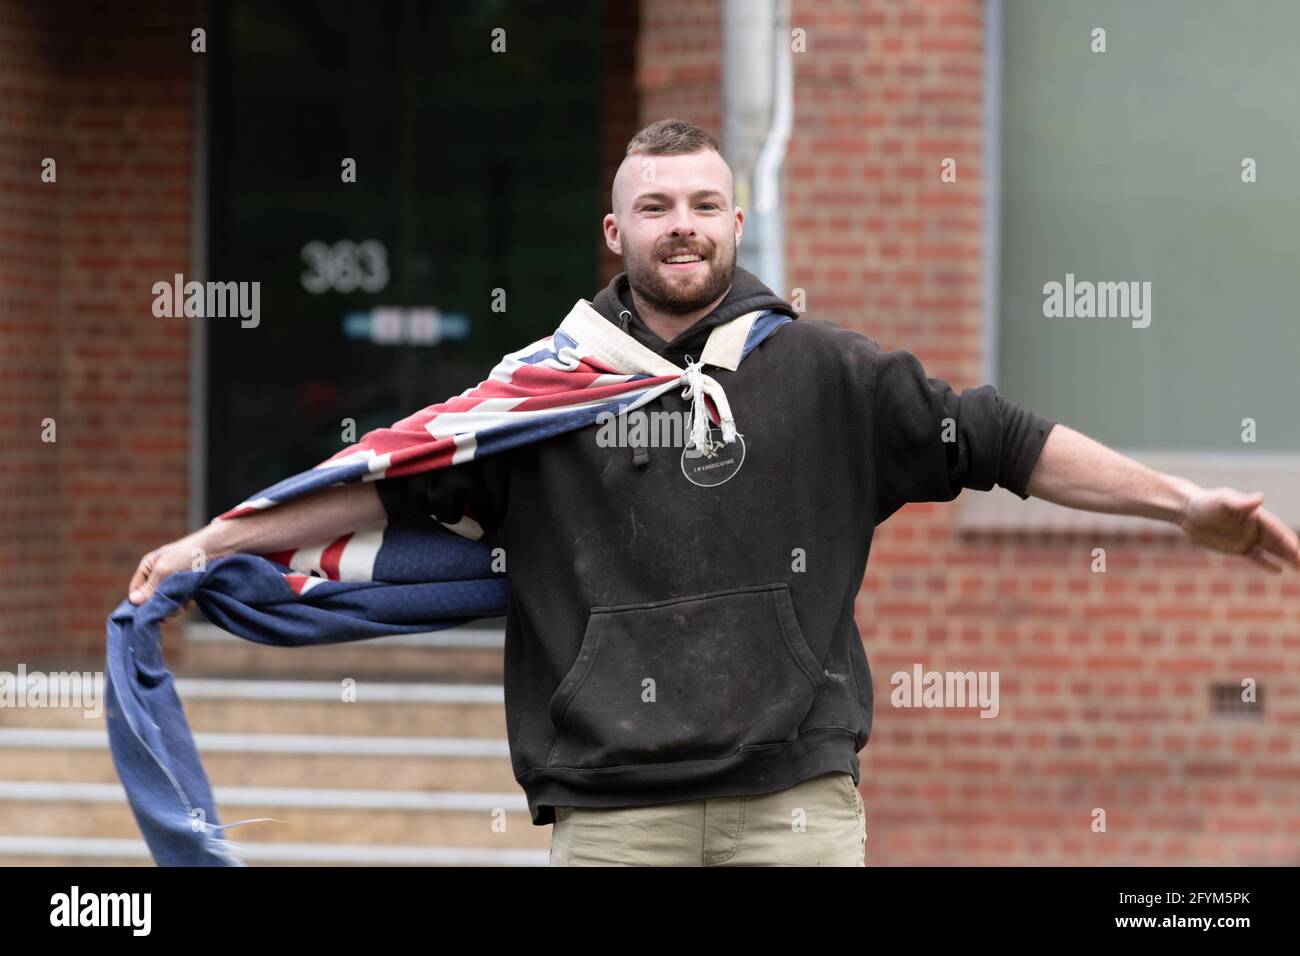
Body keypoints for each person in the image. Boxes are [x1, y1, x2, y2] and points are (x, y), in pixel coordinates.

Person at [128, 118, 1300, 867]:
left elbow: (1003, 439)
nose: (680, 227)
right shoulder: (538, 394)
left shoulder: (829, 374)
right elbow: (390, 477)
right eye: (655, 207)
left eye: (701, 205)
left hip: (792, 803)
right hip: (611, 810)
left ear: (736, 221)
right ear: (616, 228)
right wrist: (211, 541)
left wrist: (1179, 503)